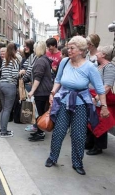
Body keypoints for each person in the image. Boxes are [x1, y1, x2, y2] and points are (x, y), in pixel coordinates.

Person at [45, 36, 110, 175]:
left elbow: (100, 88)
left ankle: (77, 162)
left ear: (81, 50)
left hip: (81, 104)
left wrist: (103, 106)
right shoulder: (64, 62)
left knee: (78, 135)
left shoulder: (90, 67)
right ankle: (53, 157)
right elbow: (58, 80)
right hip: (63, 101)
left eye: (72, 48)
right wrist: (52, 92)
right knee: (59, 132)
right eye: (68, 48)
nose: (69, 50)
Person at [86, 45, 115, 155]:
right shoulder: (100, 66)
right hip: (93, 96)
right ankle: (90, 143)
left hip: (100, 99)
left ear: (103, 55)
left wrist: (97, 98)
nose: (96, 53)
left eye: (99, 52)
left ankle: (98, 146)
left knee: (99, 123)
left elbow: (107, 86)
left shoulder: (109, 67)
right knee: (91, 121)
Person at [22, 41, 53, 142]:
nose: (34, 50)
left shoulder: (40, 61)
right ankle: (39, 131)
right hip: (45, 90)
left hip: (41, 91)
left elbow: (38, 78)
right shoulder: (45, 59)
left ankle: (41, 133)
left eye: (35, 48)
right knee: (41, 112)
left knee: (40, 113)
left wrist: (32, 91)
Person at [0, 43, 19, 137]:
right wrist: (21, 72)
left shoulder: (5, 60)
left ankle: (3, 129)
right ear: (14, 50)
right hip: (9, 86)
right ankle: (4, 132)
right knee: (7, 109)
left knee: (4, 109)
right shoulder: (14, 61)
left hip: (1, 85)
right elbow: (14, 75)